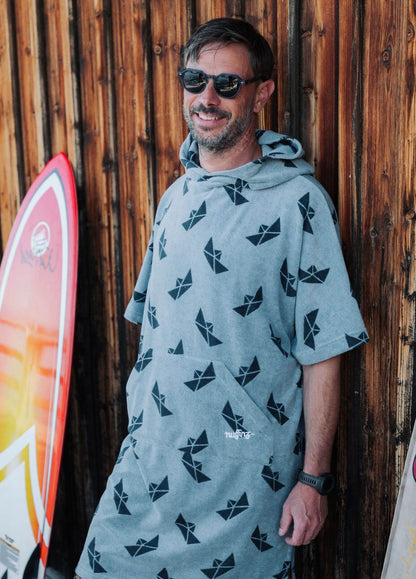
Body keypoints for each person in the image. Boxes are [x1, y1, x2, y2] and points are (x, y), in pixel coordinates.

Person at [75, 17, 368, 579]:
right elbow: (158, 334)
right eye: (195, 80)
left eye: (227, 84)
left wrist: (313, 480)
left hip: (243, 478)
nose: (207, 98)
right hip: (150, 464)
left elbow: (324, 349)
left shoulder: (298, 204)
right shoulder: (175, 198)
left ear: (262, 93)